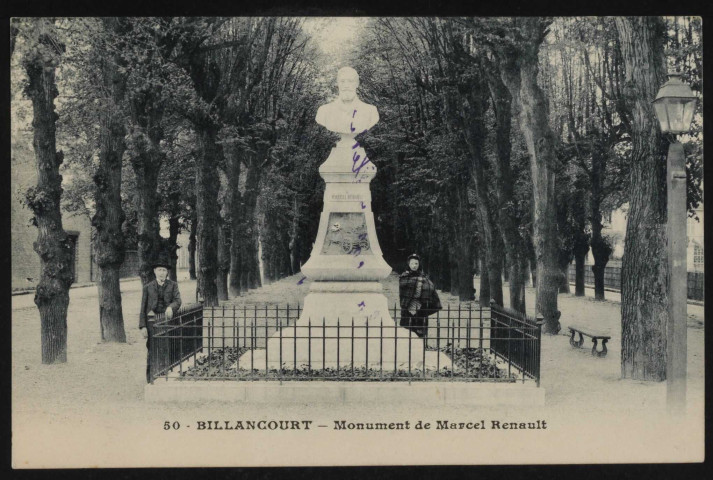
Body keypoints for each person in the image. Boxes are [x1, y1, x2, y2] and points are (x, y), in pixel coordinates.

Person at [139, 257, 182, 383]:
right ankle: (150, 377)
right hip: (152, 323)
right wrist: (143, 326)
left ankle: (165, 375)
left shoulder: (173, 285)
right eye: (159, 270)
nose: (162, 272)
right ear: (154, 271)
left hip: (167, 321)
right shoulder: (148, 287)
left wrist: (170, 307)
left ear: (167, 272)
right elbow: (143, 307)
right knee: (152, 349)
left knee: (166, 347)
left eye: (164, 270)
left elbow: (178, 301)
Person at [315, 66, 379, 135]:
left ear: (357, 83)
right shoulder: (324, 111)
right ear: (338, 83)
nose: (346, 85)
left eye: (350, 81)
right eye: (342, 81)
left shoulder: (371, 111)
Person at [399, 253, 441, 338]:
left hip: (421, 307)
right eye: (412, 263)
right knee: (408, 330)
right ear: (408, 264)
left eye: (416, 263)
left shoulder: (424, 277)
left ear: (419, 264)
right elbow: (403, 293)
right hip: (408, 307)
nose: (414, 266)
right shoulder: (404, 277)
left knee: (420, 331)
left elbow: (430, 289)